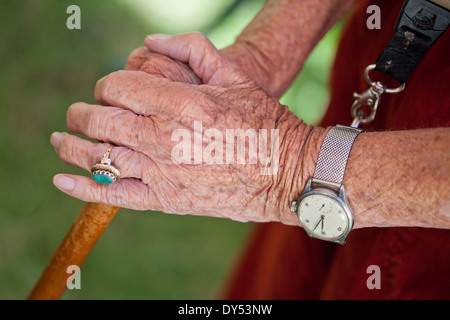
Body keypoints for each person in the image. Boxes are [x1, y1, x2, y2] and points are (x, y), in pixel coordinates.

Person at [50, 0, 449, 299]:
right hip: (392, 40)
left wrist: (291, 164)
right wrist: (262, 56)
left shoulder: (293, 164)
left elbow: (293, 166)